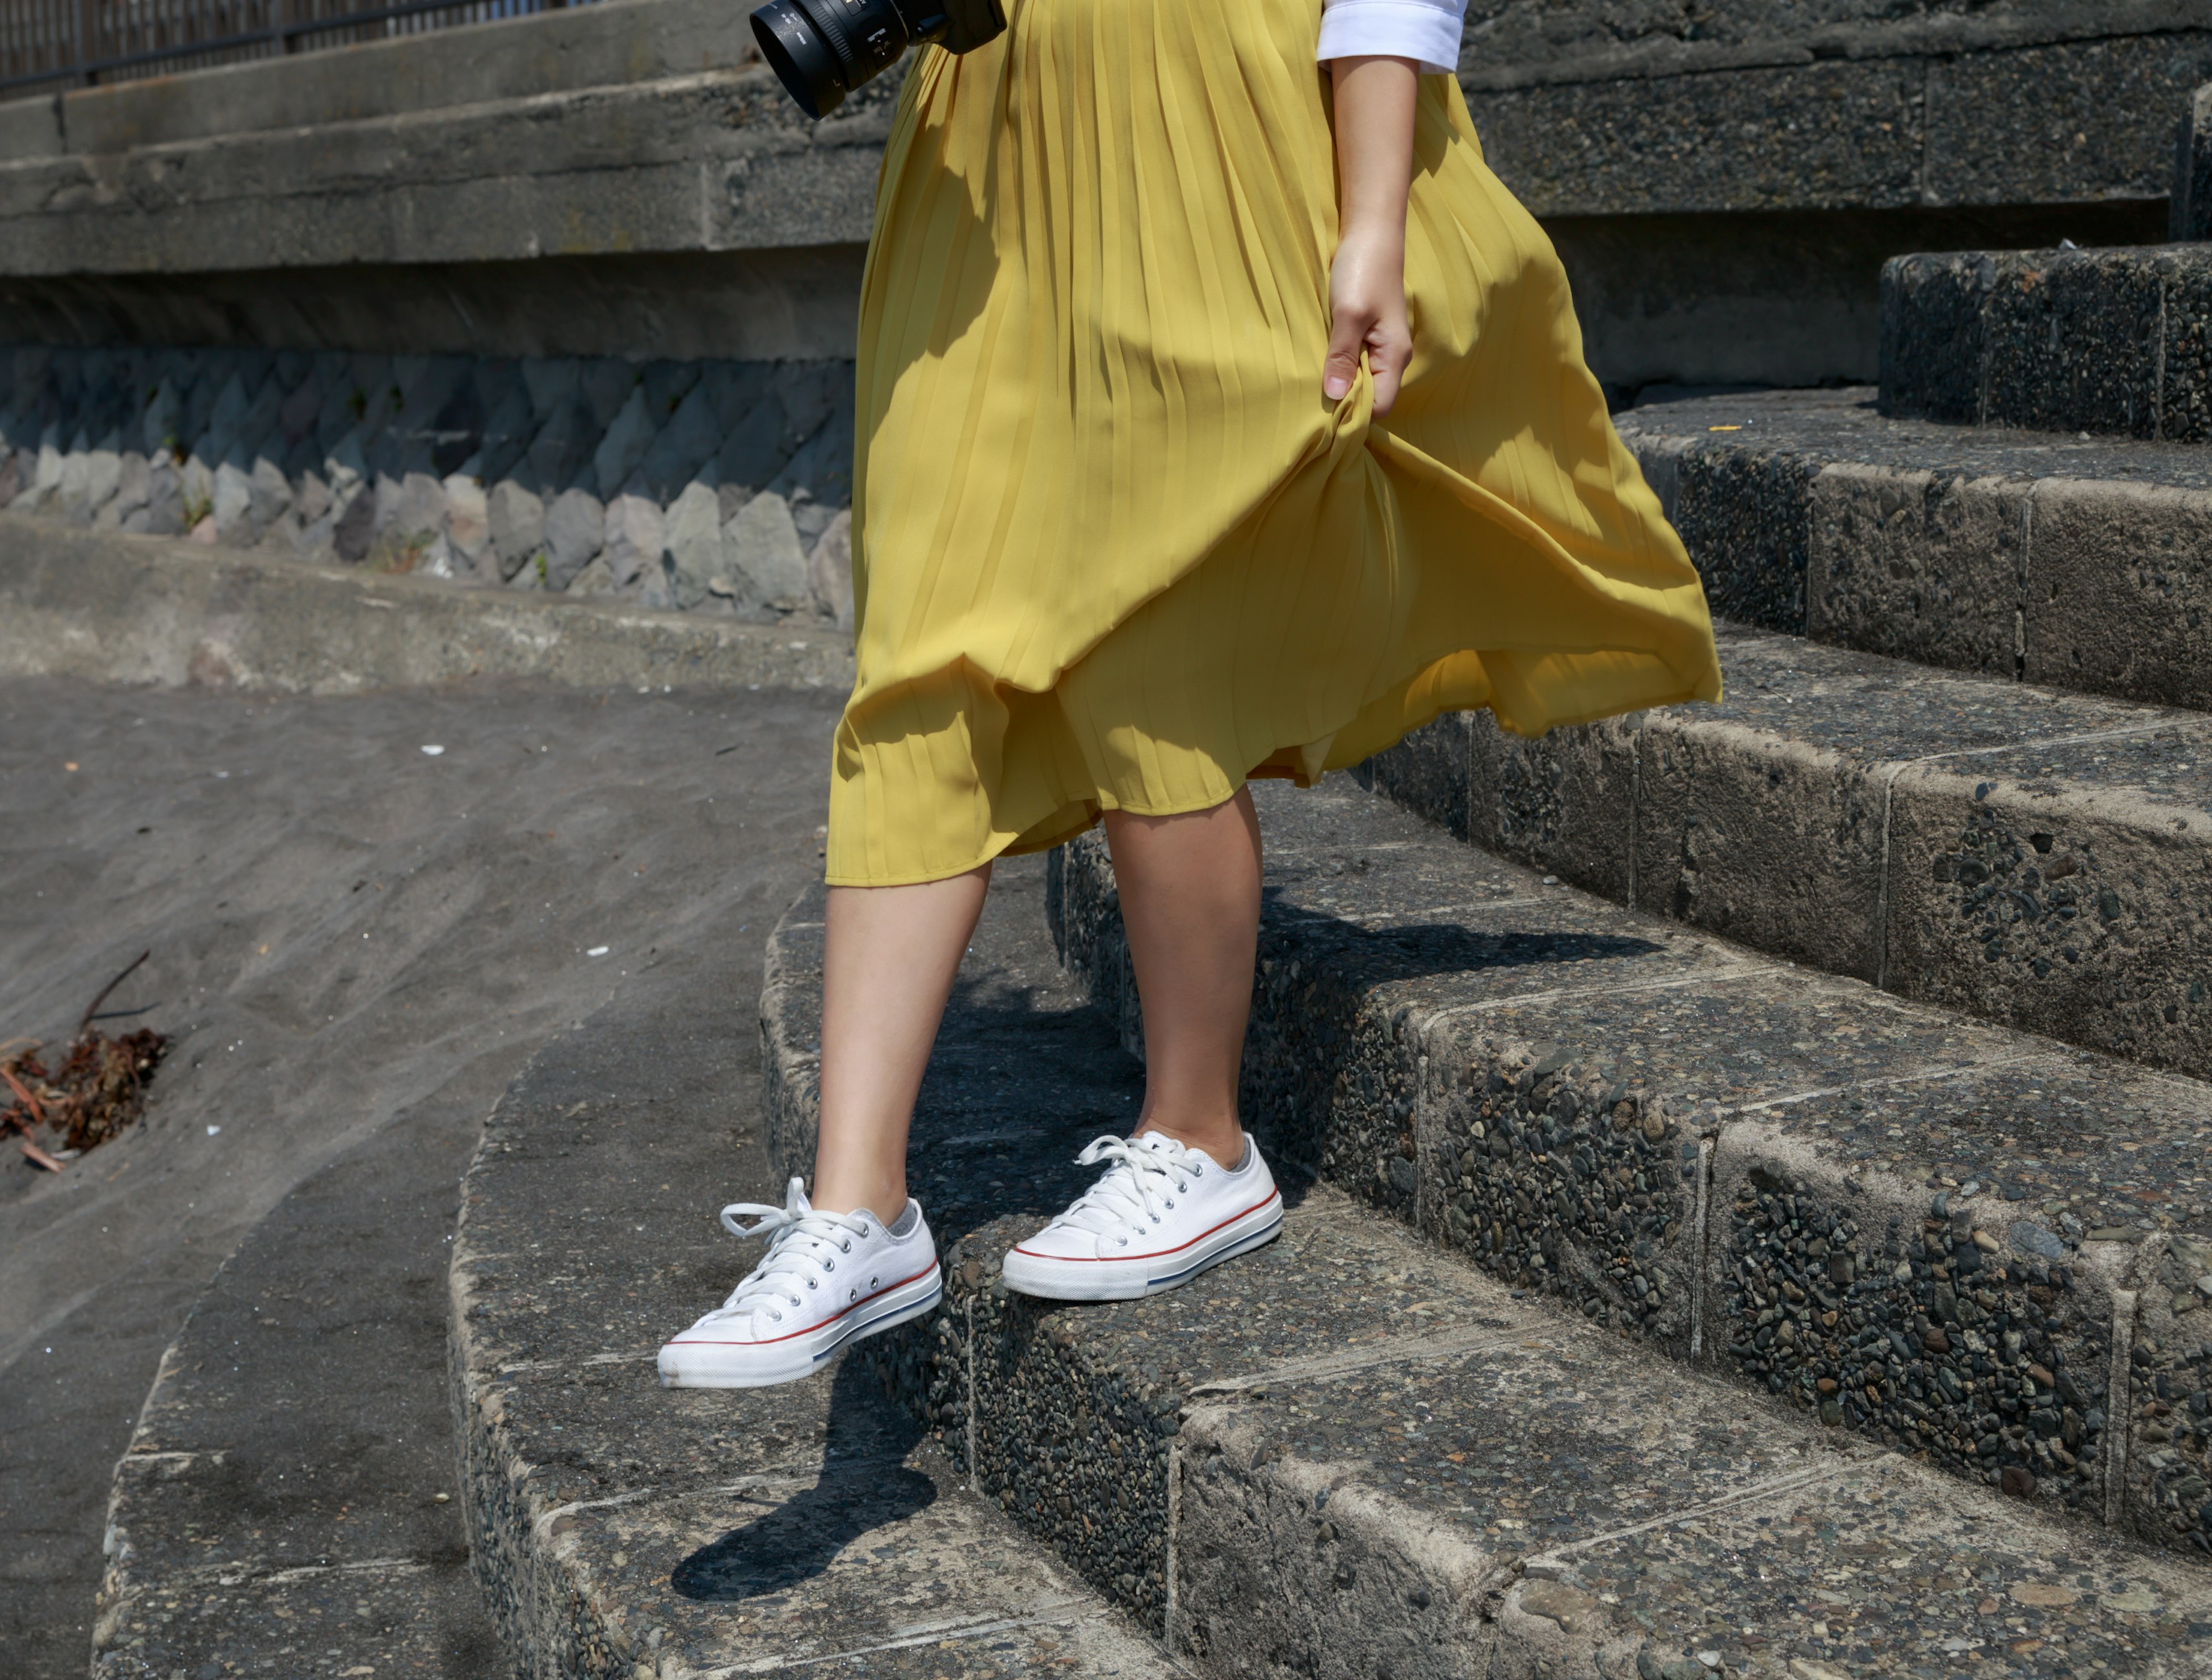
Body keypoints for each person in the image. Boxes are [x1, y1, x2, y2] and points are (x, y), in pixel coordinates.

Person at [656, 0, 1721, 1389]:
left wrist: (1375, 209)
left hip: (1205, 113)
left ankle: (1204, 1136)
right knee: (924, 641)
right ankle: (857, 1210)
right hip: (995, 139)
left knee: (1148, 635)